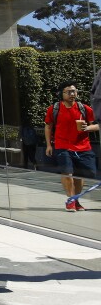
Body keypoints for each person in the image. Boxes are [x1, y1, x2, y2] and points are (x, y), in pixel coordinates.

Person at [45, 80, 98, 212]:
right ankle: (71, 200)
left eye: (74, 91)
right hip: (63, 145)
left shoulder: (84, 108)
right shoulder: (54, 109)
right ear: (62, 94)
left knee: (82, 174)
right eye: (69, 92)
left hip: (83, 147)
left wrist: (88, 128)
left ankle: (76, 199)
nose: (72, 94)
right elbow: (48, 126)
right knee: (67, 173)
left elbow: (98, 125)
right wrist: (48, 145)